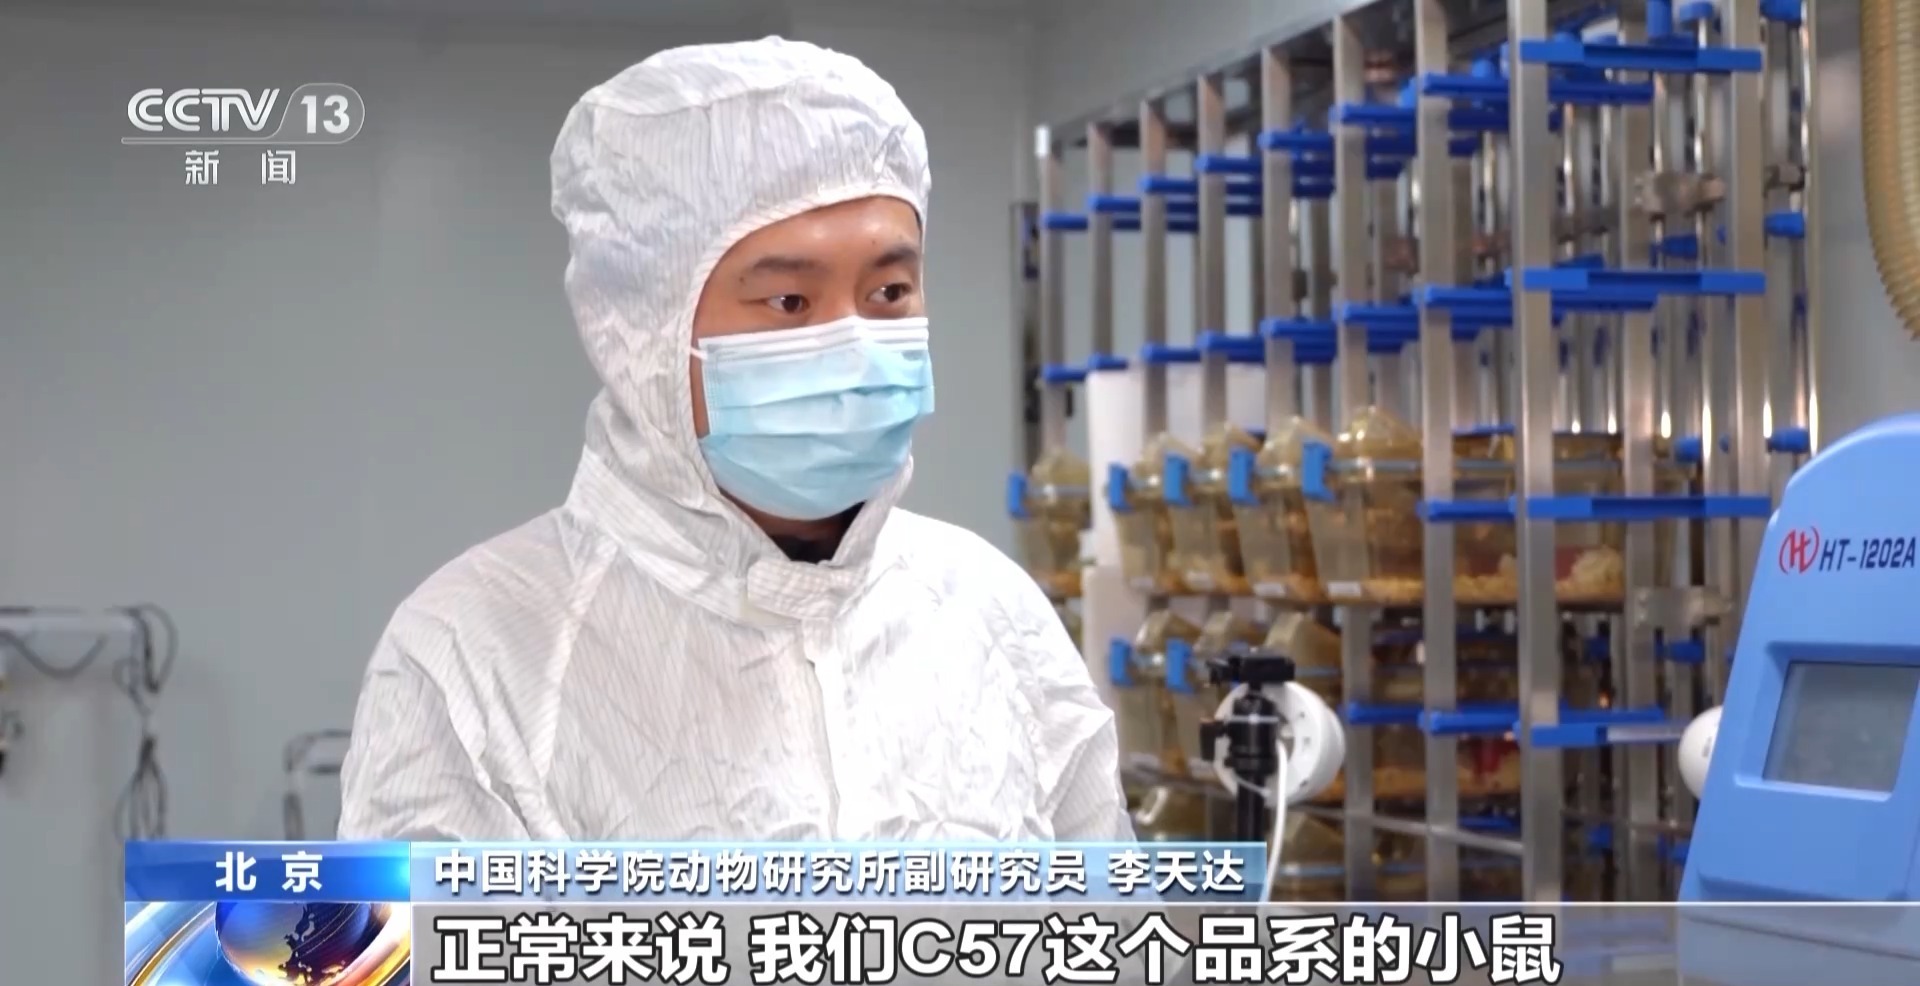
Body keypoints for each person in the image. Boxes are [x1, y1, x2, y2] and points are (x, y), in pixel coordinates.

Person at [335, 37, 1131, 843]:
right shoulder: (473, 658)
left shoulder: (994, 615)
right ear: (645, 331)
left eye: (889, 291)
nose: (856, 348)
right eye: (789, 302)